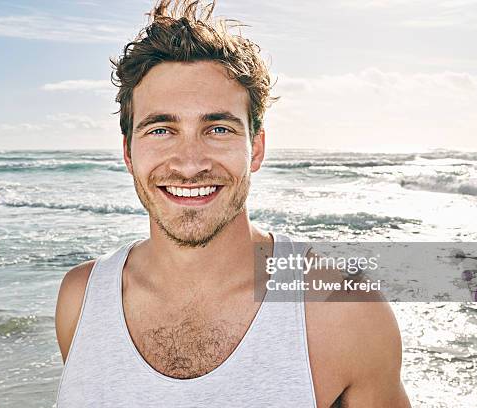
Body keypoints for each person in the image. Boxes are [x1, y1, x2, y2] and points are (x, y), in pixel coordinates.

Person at [55, 1, 411, 406]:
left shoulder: (341, 309)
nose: (190, 164)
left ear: (256, 149)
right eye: (161, 129)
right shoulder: (80, 299)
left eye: (218, 128)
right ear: (128, 152)